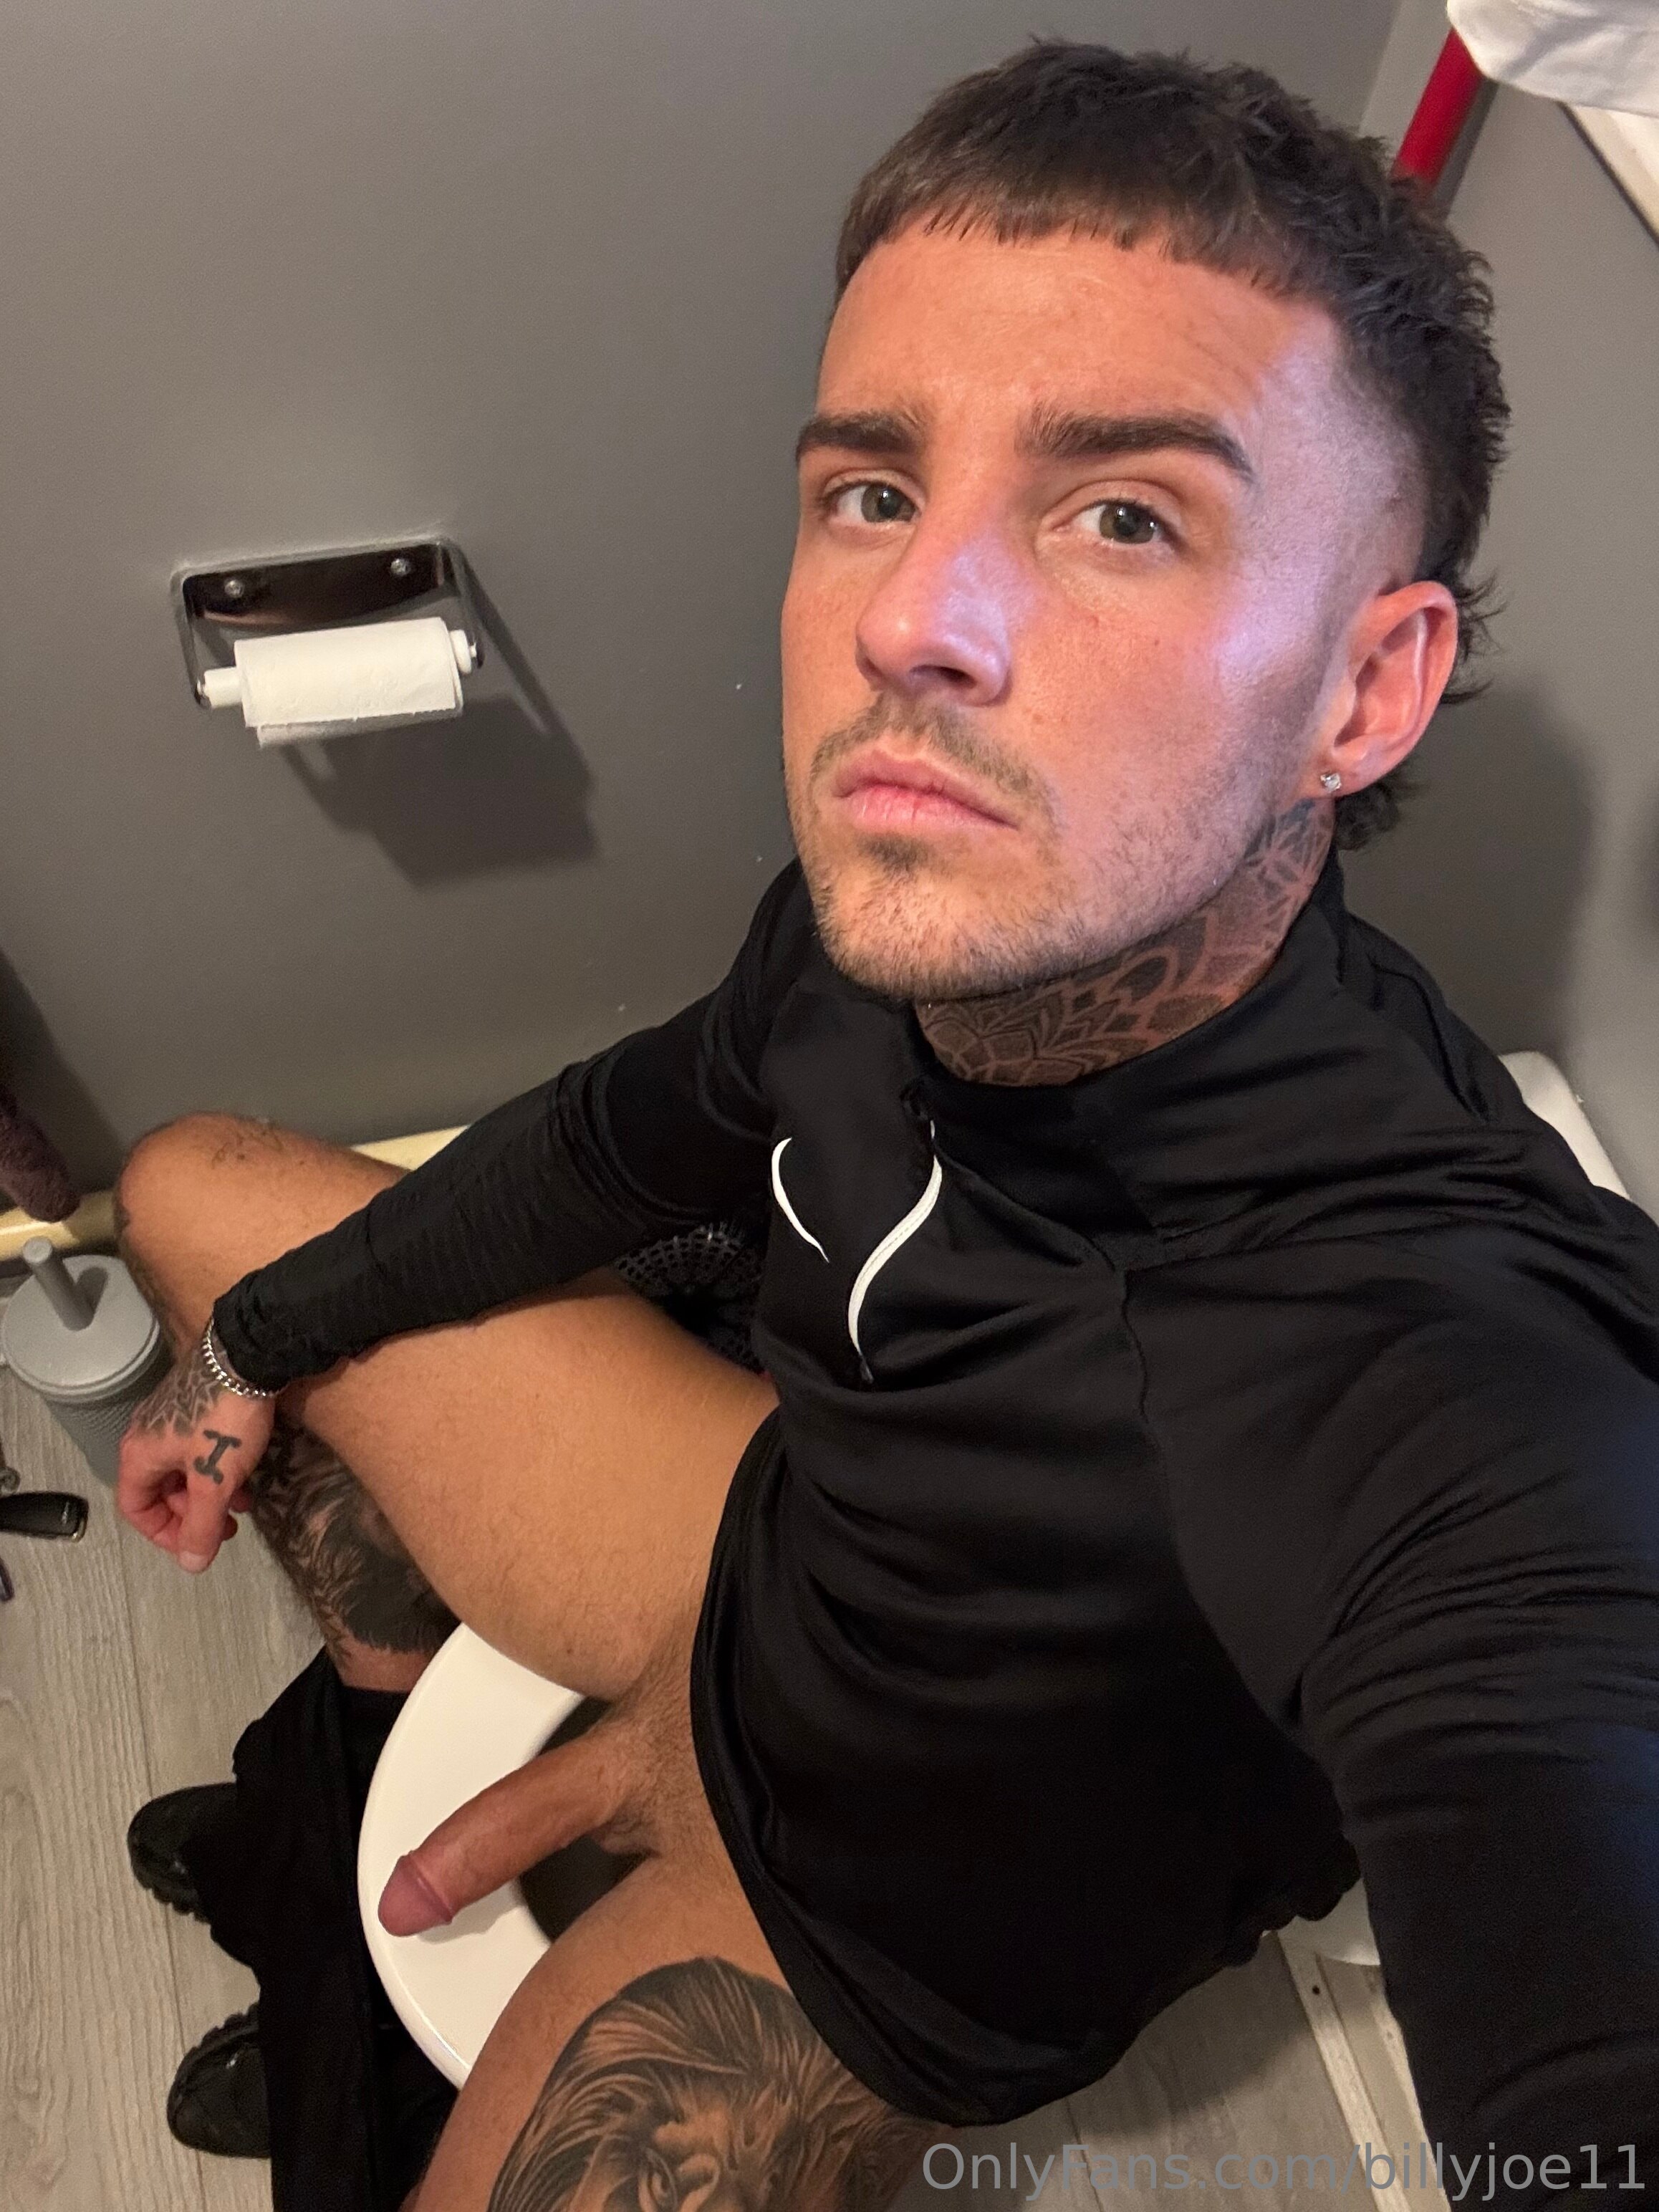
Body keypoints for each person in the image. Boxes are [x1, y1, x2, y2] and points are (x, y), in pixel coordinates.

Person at [113, 42, 1659, 2211]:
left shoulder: (1437, 1369)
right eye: (869, 490)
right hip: (770, 1554)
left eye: (1124, 516)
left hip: (909, 1921)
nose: (909, 622)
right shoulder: (885, 948)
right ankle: (361, 1791)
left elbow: (1574, 1887)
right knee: (191, 1198)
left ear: (1362, 688)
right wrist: (251, 1351)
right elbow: (608, 1145)